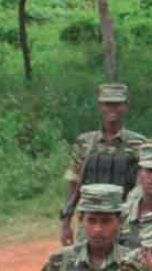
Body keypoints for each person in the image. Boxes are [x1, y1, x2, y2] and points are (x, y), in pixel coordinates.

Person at [61, 83, 146, 246]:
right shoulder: (85, 142)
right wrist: (66, 223)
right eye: (108, 104)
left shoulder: (138, 143)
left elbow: (144, 189)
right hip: (91, 224)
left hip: (125, 224)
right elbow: (74, 186)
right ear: (100, 107)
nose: (113, 109)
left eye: (117, 104)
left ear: (125, 107)